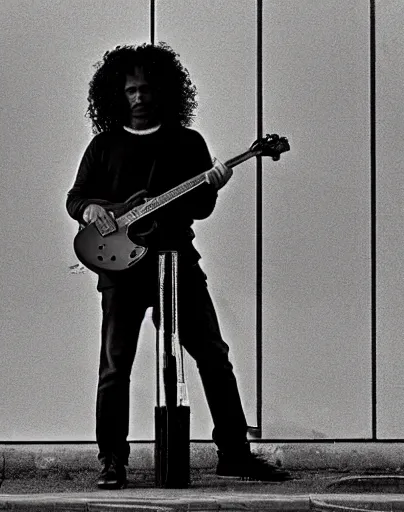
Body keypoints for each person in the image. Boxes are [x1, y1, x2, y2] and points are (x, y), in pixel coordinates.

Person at [66, 42, 290, 489]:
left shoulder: (187, 143)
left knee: (213, 355)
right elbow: (76, 199)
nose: (139, 97)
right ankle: (112, 461)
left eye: (147, 89)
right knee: (115, 365)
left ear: (163, 91)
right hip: (120, 271)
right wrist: (92, 210)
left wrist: (215, 184)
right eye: (130, 90)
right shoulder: (104, 146)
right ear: (116, 94)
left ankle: (235, 454)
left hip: (176, 262)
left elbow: (200, 208)